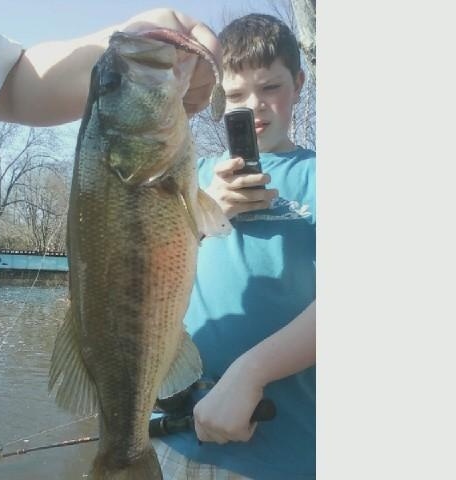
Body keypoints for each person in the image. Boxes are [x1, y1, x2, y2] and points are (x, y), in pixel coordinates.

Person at [0, 3, 223, 479]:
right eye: (113, 86)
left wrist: (133, 35)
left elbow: (14, 78)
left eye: (110, 83)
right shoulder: (155, 172)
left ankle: (121, 448)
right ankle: (125, 451)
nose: (117, 75)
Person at [151, 13, 316, 480]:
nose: (255, 107)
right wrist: (203, 213)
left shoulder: (320, 177)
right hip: (171, 435)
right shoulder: (192, 176)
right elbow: (148, 268)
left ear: (300, 84)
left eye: (271, 88)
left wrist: (252, 371)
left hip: (282, 451)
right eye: (237, 95)